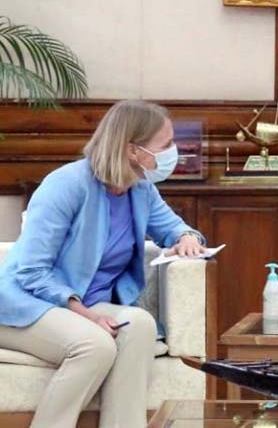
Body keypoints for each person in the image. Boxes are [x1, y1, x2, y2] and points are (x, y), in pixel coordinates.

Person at [0, 100, 205, 428]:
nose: (173, 152)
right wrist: (87, 315)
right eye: (165, 144)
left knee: (139, 325)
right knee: (94, 345)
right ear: (132, 150)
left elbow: (175, 227)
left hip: (87, 304)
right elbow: (31, 270)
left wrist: (187, 238)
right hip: (26, 304)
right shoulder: (65, 185)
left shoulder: (141, 189)